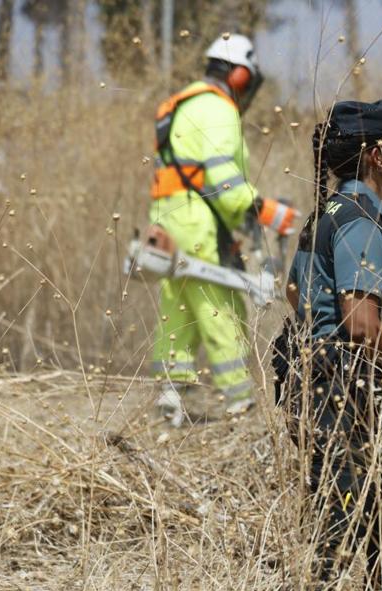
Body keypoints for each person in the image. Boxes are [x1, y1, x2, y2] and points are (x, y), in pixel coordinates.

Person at [273, 100, 382, 591]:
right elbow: (360, 321)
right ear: (376, 155)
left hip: (326, 395)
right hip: (347, 403)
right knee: (334, 548)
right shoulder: (361, 220)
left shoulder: (329, 214)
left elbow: (295, 292)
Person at [148, 33, 297, 426]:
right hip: (200, 225)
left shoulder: (185, 105)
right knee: (222, 309)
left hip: (170, 220)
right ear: (240, 76)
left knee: (179, 311)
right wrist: (264, 211)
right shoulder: (218, 109)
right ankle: (241, 406)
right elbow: (222, 181)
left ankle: (169, 403)